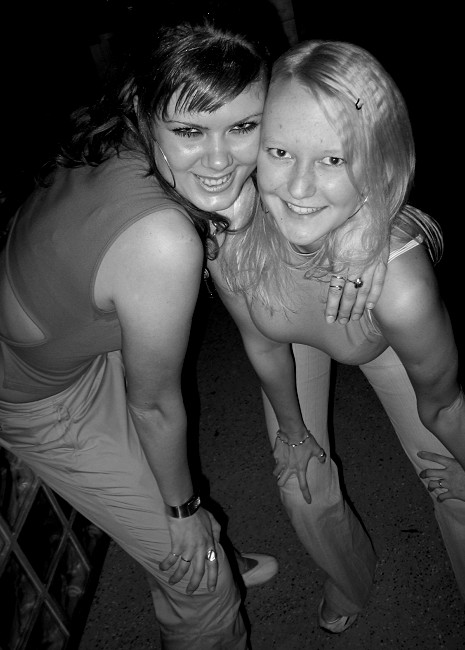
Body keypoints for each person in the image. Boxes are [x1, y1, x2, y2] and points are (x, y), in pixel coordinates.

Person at [0, 22, 386, 648]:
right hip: (40, 397)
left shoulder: (125, 136)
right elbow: (154, 405)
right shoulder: (162, 241)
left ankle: (203, 553)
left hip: (67, 338)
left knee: (175, 518)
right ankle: (208, 574)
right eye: (190, 131)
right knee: (196, 571)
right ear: (145, 111)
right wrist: (183, 514)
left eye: (243, 126)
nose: (219, 159)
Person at [208, 39, 465, 634]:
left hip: (379, 341)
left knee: (453, 485)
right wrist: (296, 435)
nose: (298, 188)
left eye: (333, 159)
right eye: (279, 151)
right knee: (298, 480)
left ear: (376, 165)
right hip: (288, 331)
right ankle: (350, 577)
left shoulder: (399, 287)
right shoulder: (229, 235)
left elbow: (446, 405)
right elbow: (262, 344)